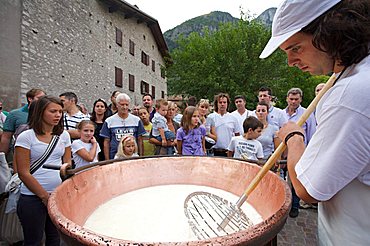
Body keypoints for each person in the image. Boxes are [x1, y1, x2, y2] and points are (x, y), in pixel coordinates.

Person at [260, 0, 370, 244]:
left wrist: (293, 138)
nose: (290, 62)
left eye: (296, 48)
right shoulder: (357, 75)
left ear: (330, 33)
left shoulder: (350, 93)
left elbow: (306, 189)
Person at [15, 95, 71, 245]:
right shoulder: (26, 137)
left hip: (57, 195)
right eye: (53, 111)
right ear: (41, 112)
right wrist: (44, 196)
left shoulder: (64, 135)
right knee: (33, 240)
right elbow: (23, 172)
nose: (58, 115)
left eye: (60, 111)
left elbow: (67, 163)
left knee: (54, 238)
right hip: (32, 197)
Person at [284, 87, 317, 218]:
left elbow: (312, 134)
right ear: (287, 99)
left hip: (299, 153)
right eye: (291, 99)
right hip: (283, 153)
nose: (293, 102)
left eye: (296, 99)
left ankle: (295, 206)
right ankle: (284, 204)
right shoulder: (282, 114)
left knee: (296, 179)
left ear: (300, 99)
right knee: (283, 179)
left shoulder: (307, 114)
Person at [100, 93, 145, 159]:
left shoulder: (136, 120)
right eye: (122, 104)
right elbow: (106, 142)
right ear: (117, 105)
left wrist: (141, 156)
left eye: (126, 104)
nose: (124, 107)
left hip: (133, 157)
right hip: (114, 157)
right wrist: (107, 160)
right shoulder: (109, 121)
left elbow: (140, 140)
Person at [0, 88, 45, 154]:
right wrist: (2, 158)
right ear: (30, 99)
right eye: (39, 98)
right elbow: (6, 137)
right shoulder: (15, 114)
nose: (42, 101)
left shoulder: (46, 114)